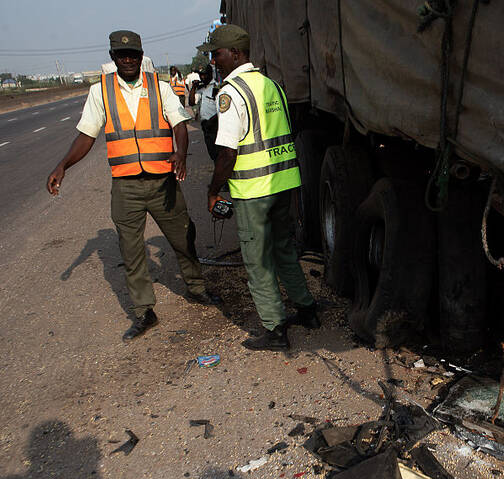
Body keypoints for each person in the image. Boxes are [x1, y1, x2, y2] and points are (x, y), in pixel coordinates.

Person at [46, 30, 221, 341]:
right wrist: (63, 166)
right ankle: (144, 312)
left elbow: (179, 123)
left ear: (141, 56)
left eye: (133, 55)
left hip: (162, 182)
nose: (127, 59)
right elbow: (87, 135)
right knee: (131, 249)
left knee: (182, 236)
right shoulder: (100, 92)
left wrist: (180, 153)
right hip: (125, 187)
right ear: (113, 58)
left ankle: (196, 287)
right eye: (121, 55)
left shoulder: (160, 87)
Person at [198, 24, 319, 351]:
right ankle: (307, 309)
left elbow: (227, 153)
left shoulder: (230, 93)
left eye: (217, 53)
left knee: (258, 262)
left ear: (235, 53)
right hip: (284, 185)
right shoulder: (273, 87)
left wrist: (213, 191)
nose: (213, 60)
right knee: (283, 250)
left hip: (254, 192)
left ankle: (275, 330)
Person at [188, 65, 220, 161]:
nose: (202, 77)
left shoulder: (216, 88)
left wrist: (212, 121)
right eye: (201, 75)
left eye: (205, 75)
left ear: (210, 75)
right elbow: (192, 102)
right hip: (206, 126)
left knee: (218, 153)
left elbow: (221, 109)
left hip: (215, 125)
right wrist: (193, 88)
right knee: (212, 154)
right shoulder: (201, 89)